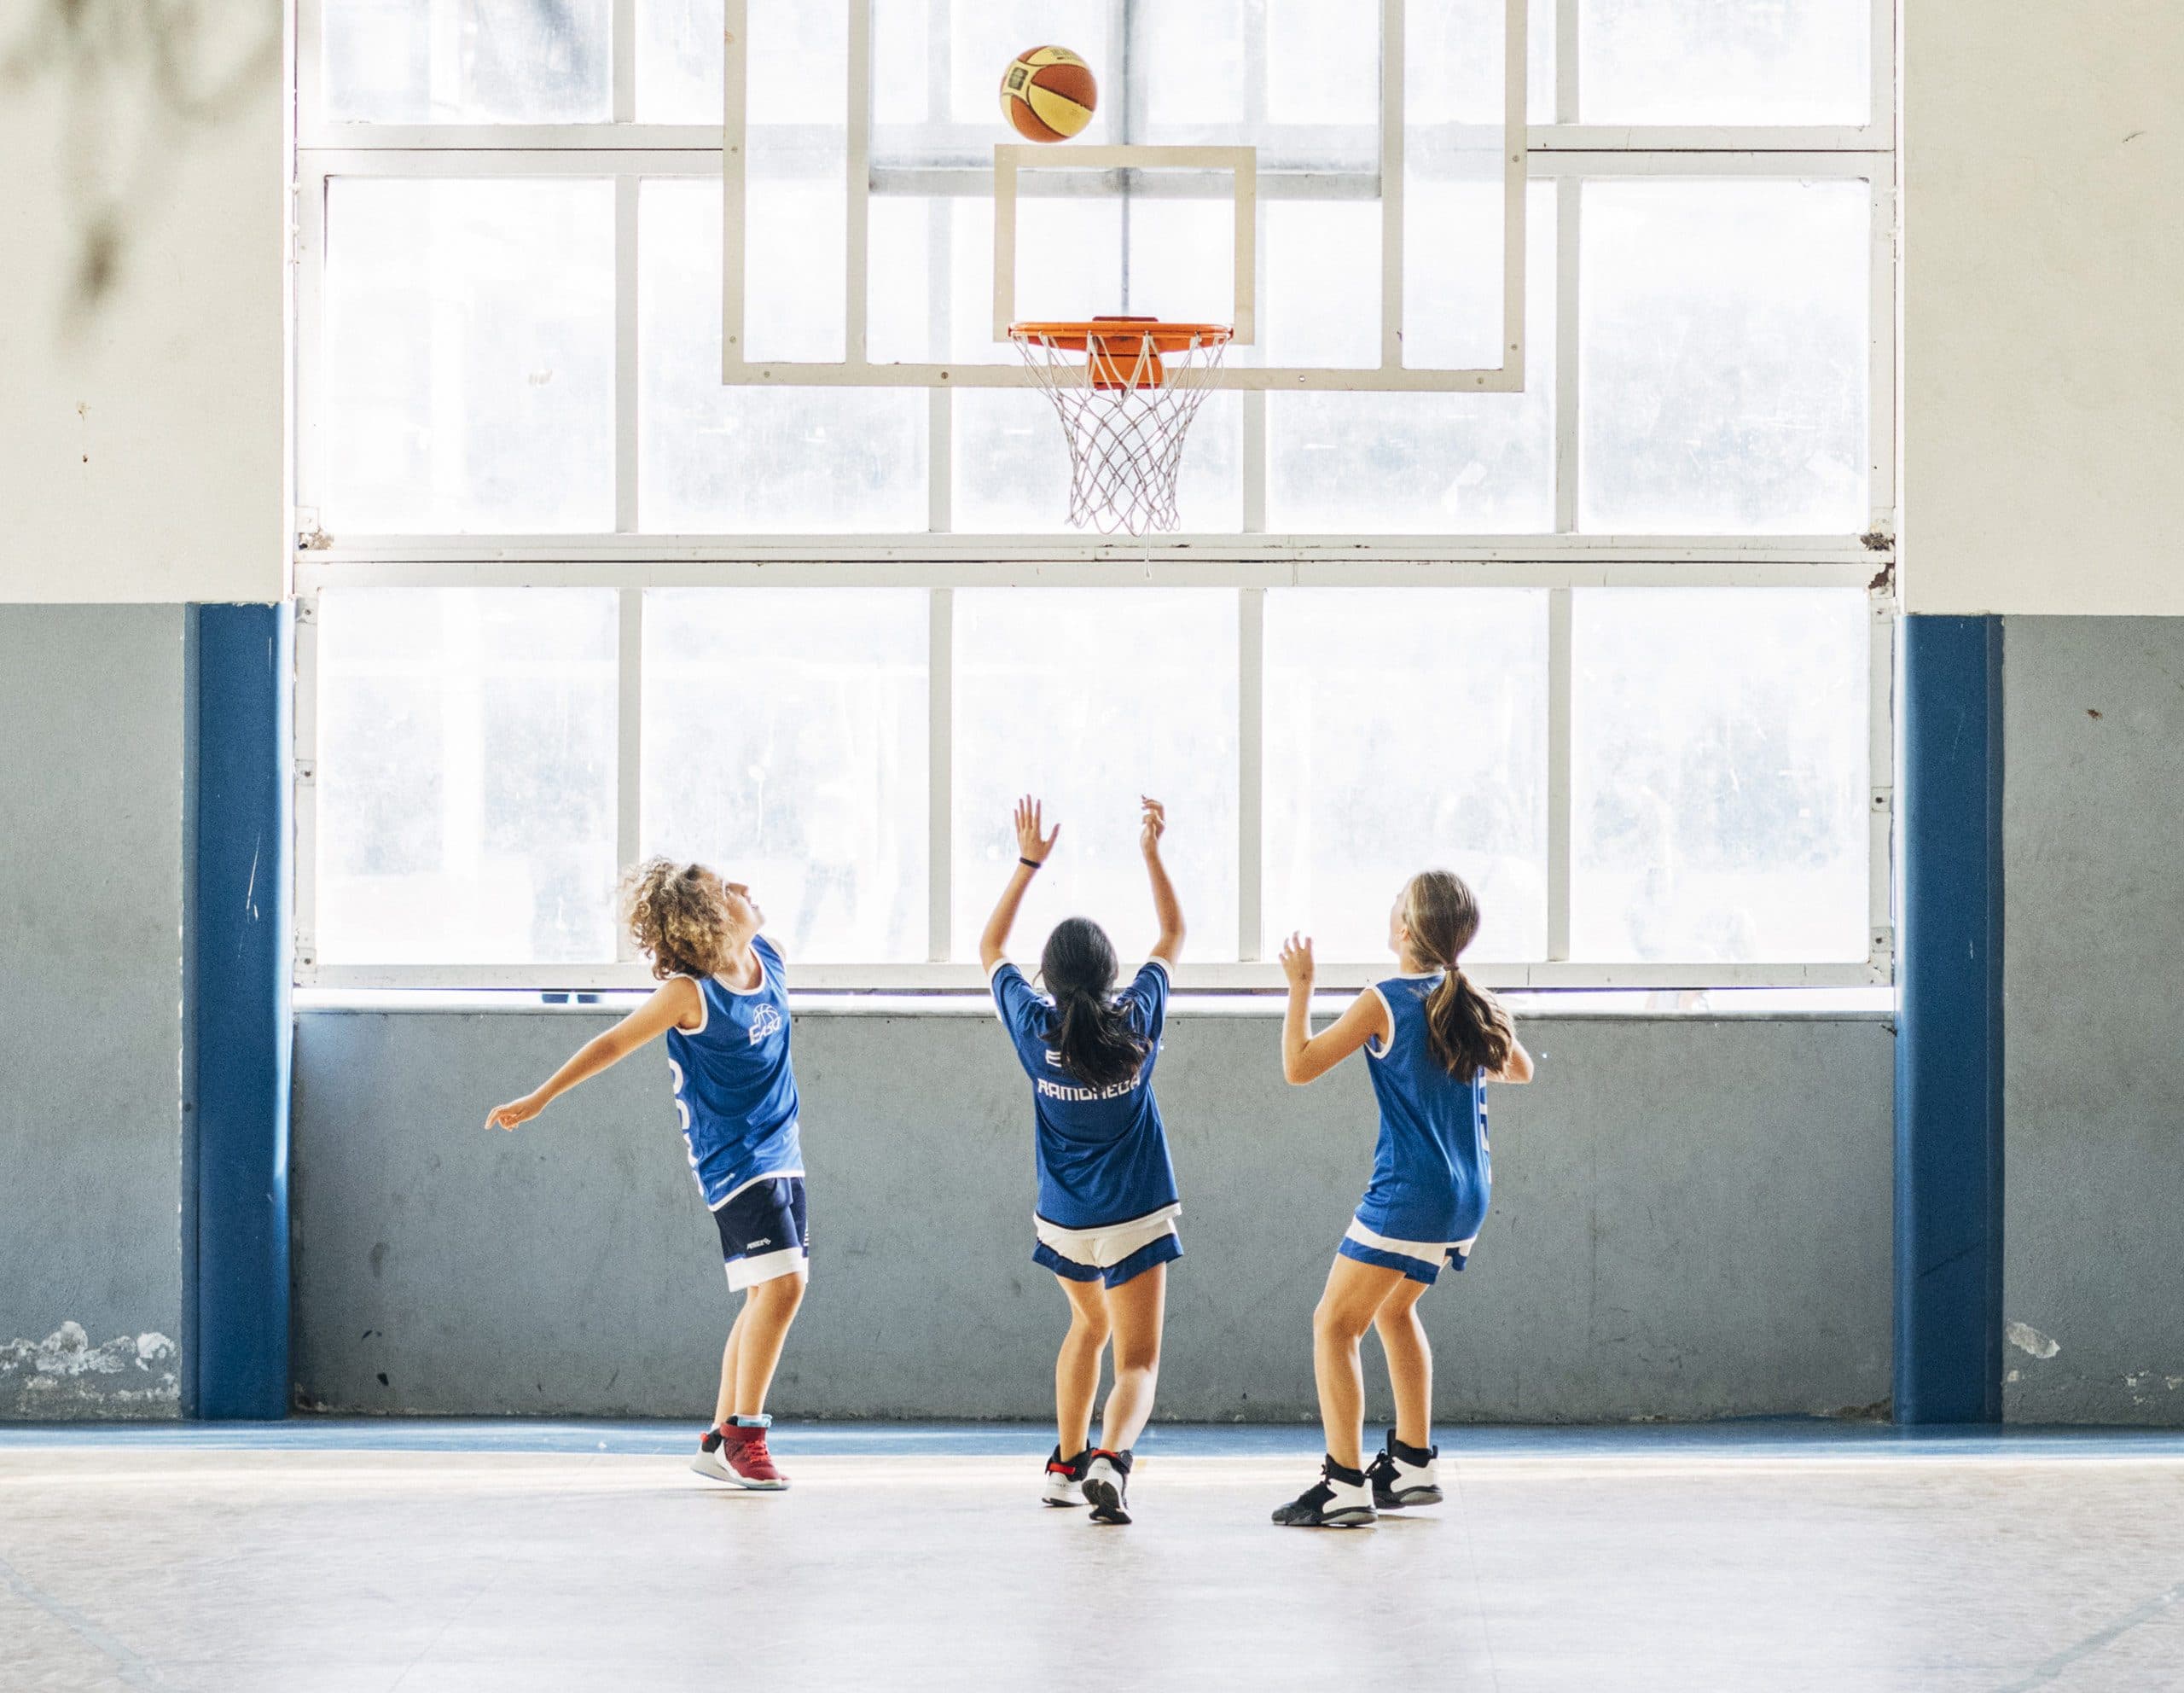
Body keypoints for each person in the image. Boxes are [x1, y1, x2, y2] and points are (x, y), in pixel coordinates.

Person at [485, 860, 807, 1492]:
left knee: (764, 1293)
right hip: (735, 1162)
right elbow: (611, 1043)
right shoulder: (689, 994)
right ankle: (745, 1437)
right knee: (786, 1285)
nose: (744, 888)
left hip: (783, 1150)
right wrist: (541, 1096)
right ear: (708, 919)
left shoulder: (770, 956)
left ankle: (716, 1442)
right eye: (727, 889)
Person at [1269, 870, 1535, 1528]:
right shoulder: (1469, 999)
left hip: (1411, 1193)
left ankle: (1343, 1485)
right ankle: (1413, 1464)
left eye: (1396, 903)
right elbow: (1520, 1068)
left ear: (1408, 928)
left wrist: (1300, 989)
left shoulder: (1384, 1000)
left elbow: (1299, 1066)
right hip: (1467, 1194)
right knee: (1394, 1309)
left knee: (1335, 1325)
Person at [980, 794, 1186, 1526]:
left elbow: (990, 948)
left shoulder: (1032, 1027)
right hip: (1135, 1217)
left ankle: (1065, 1466)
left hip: (1064, 1222)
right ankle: (1111, 1460)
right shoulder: (1137, 1020)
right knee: (1137, 1363)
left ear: (1048, 976)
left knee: (1086, 1329)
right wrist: (1152, 853)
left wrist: (1027, 863)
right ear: (1110, 974)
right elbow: (1173, 934)